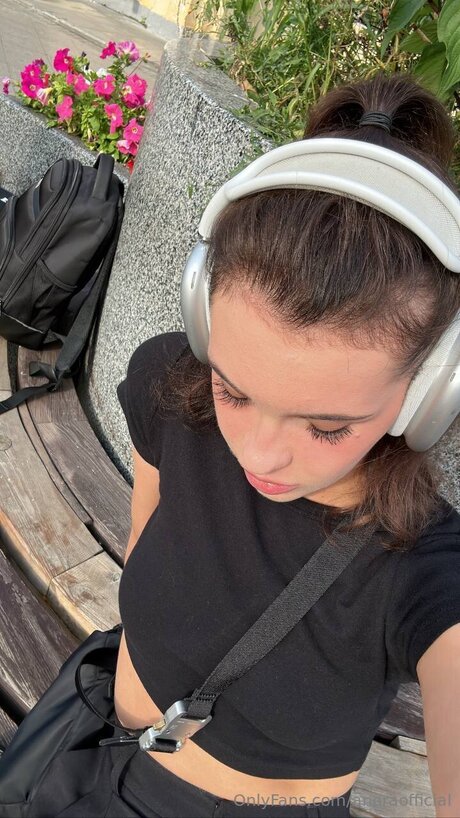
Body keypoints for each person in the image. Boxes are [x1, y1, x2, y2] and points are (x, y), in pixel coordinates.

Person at [2, 71, 460, 817]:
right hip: (90, 751)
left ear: (430, 392)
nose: (258, 454)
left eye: (327, 426)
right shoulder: (170, 387)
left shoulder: (423, 569)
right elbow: (148, 539)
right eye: (234, 390)